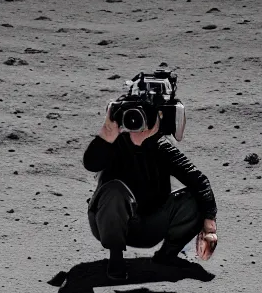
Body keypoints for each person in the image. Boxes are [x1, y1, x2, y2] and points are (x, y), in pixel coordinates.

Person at [83, 107, 217, 281]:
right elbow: (90, 164)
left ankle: (167, 255)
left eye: (143, 117)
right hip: (107, 224)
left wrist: (209, 224)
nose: (137, 124)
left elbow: (199, 181)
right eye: (132, 116)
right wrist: (106, 135)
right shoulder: (113, 143)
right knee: (115, 189)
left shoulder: (161, 147)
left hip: (150, 225)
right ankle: (115, 258)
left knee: (194, 197)